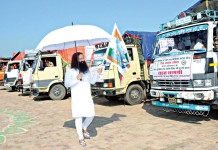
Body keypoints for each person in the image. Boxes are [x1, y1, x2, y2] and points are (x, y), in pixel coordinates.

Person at [64, 52, 102, 147]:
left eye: (82, 58)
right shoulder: (70, 71)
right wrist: (76, 78)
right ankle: (81, 138)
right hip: (77, 98)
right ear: (75, 60)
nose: (82, 60)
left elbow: (92, 80)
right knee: (78, 117)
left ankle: (84, 127)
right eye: (80, 59)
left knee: (91, 114)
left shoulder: (86, 70)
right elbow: (66, 84)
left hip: (87, 97)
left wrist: (97, 73)